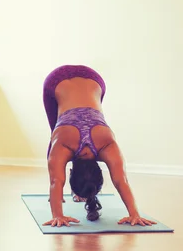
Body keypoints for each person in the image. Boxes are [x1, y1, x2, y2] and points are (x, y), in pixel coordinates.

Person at [42, 65, 156, 227]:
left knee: (55, 136)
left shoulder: (106, 145)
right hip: (67, 79)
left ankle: (56, 197)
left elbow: (121, 181)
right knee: (55, 133)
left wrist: (134, 214)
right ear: (72, 173)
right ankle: (58, 197)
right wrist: (134, 215)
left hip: (93, 79)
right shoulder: (67, 144)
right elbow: (120, 180)